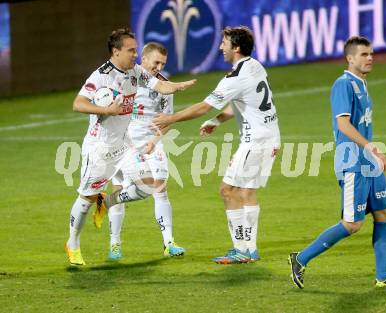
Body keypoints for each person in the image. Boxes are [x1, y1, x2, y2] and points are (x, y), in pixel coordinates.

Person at [288, 36, 386, 288]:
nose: (370, 58)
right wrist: (371, 147)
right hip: (353, 163)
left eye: (371, 54)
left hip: (368, 162)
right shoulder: (343, 84)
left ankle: (383, 276)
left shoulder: (362, 84)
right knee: (352, 224)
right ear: (350, 58)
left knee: (384, 213)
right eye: (364, 54)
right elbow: (343, 125)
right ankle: (300, 259)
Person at [65, 28, 195, 266]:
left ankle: (108, 201)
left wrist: (178, 86)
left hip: (125, 145)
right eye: (131, 50)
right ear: (116, 51)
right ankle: (73, 243)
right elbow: (78, 103)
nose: (135, 54)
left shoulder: (136, 72)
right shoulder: (100, 76)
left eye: (136, 50)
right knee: (86, 198)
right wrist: (107, 110)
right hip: (100, 146)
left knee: (147, 187)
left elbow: (160, 86)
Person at [152, 26, 280, 264]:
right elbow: (247, 104)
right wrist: (218, 120)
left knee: (227, 190)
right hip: (271, 138)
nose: (221, 47)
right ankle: (249, 250)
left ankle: (241, 249)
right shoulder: (255, 66)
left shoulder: (234, 78)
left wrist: (170, 119)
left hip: (256, 141)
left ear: (236, 48)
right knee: (247, 192)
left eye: (224, 43)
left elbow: (203, 107)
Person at [106, 42, 185, 261]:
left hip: (152, 143)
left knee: (160, 188)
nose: (159, 67)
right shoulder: (125, 79)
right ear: (144, 58)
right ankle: (114, 244)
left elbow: (167, 120)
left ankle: (169, 242)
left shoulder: (165, 86)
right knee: (120, 188)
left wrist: (154, 140)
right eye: (156, 62)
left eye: (163, 63)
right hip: (125, 143)